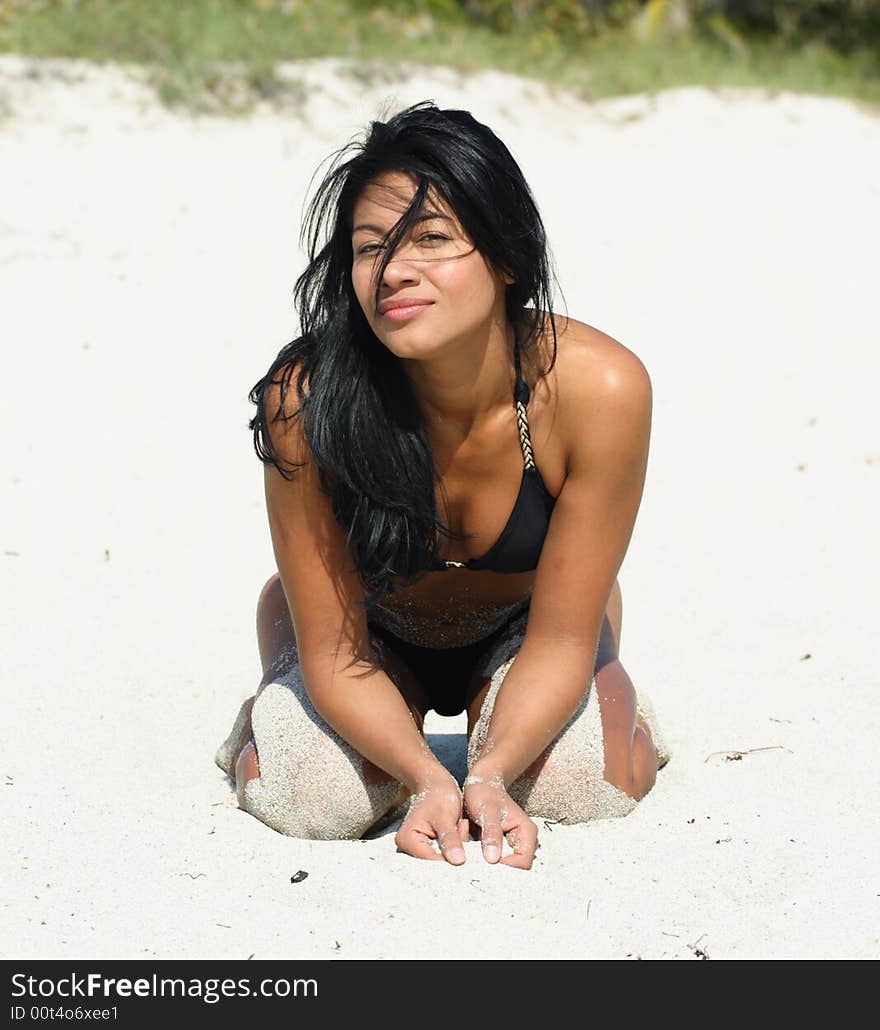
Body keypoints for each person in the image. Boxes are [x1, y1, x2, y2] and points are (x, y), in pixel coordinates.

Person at [216, 101, 669, 869]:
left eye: (431, 238)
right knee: (316, 799)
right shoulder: (305, 401)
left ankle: (622, 706)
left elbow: (558, 640)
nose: (392, 271)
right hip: (367, 635)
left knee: (574, 788)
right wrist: (431, 777)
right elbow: (336, 653)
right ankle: (266, 711)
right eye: (368, 249)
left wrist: (486, 775)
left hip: (532, 625)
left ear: (507, 258)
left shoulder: (600, 391)